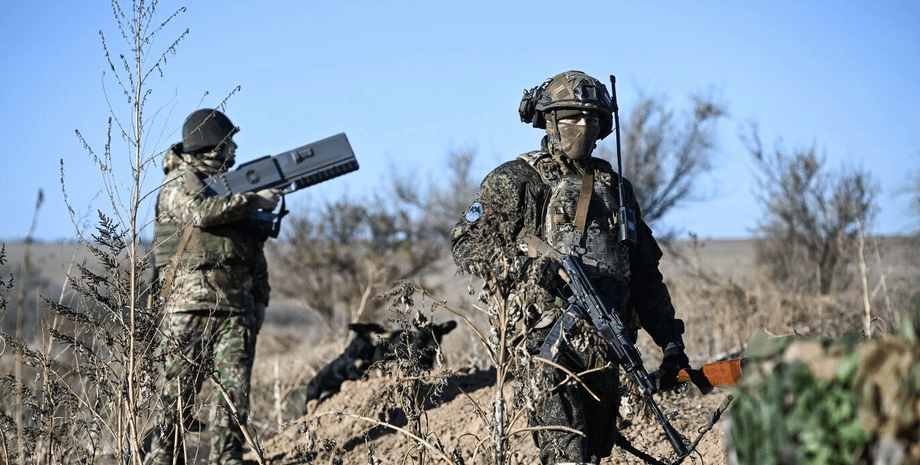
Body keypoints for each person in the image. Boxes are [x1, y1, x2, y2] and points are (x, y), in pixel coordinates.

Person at [450, 71, 690, 465]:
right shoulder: (517, 180)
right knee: (566, 454)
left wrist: (670, 343)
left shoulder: (617, 189)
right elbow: (466, 242)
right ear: (548, 121)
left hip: (605, 345)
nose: (582, 127)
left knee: (595, 451)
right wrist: (526, 266)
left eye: (591, 119)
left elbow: (644, 274)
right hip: (546, 346)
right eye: (571, 117)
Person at [149, 108, 280, 465]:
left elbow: (252, 253)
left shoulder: (230, 193)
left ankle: (227, 458)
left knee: (234, 394)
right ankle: (163, 458)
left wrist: (260, 299)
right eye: (227, 144)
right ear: (209, 147)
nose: (233, 150)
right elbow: (201, 214)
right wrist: (254, 200)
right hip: (188, 309)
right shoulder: (178, 183)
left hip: (236, 309)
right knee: (178, 394)